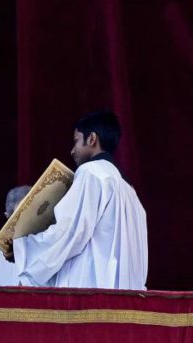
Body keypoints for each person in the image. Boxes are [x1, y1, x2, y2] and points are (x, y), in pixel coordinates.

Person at [13, 110, 148, 289]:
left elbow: (69, 231)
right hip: (124, 295)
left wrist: (22, 245)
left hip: (89, 290)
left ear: (92, 139)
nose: (72, 151)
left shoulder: (91, 173)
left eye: (76, 141)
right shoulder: (130, 192)